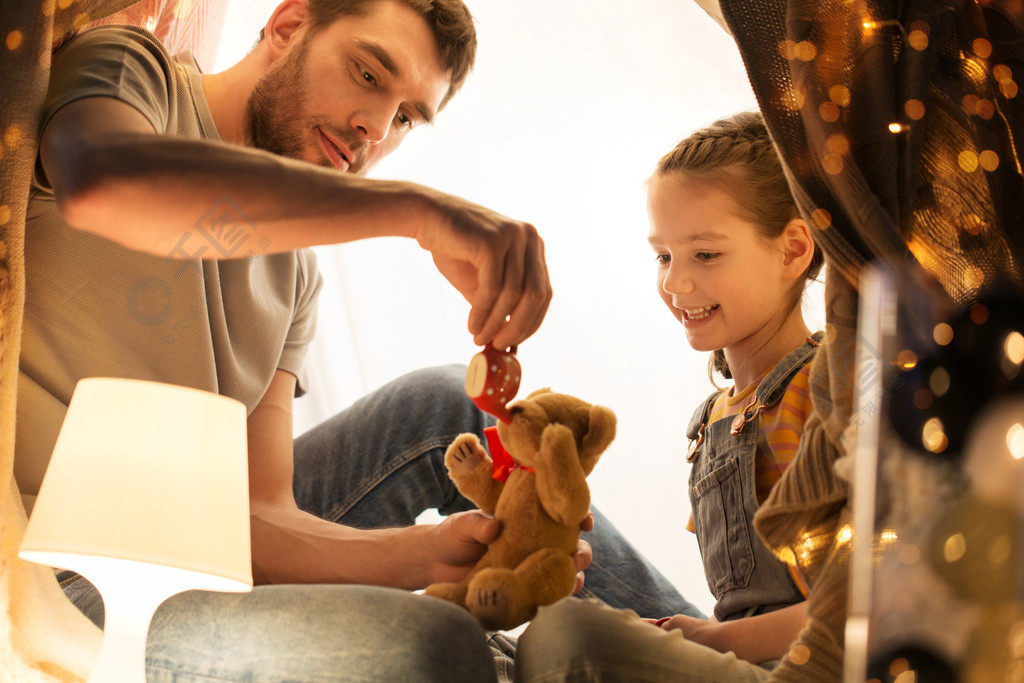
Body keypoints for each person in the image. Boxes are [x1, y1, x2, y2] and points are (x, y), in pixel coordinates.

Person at [18, 1, 699, 679]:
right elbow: (101, 182)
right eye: (369, 74)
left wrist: (431, 550)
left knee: (444, 410)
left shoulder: (295, 273)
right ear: (287, 28)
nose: (375, 128)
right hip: (50, 573)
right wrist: (415, 210)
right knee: (431, 643)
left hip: (190, 538)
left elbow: (259, 514)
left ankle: (714, 652)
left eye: (406, 116)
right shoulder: (138, 75)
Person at [515, 111, 826, 682]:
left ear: (792, 250)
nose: (675, 283)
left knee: (567, 636)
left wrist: (716, 641)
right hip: (745, 658)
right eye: (663, 255)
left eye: (705, 255)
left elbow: (870, 600)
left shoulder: (820, 389)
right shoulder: (715, 419)